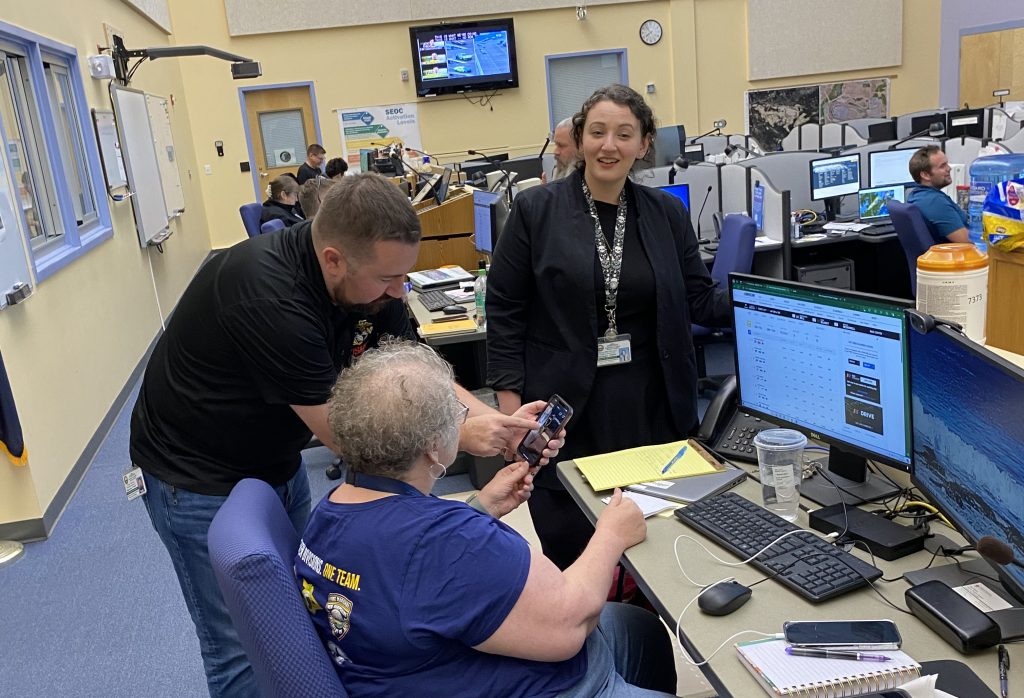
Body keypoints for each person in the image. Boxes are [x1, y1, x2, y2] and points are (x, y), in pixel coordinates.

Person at [130, 173, 550, 697]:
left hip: (273, 455)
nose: (400, 291)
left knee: (307, 618)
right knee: (242, 646)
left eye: (405, 277)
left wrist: (490, 419)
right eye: (388, 279)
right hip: (196, 475)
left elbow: (426, 378)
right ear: (334, 259)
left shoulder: (373, 285)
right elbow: (355, 439)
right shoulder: (267, 295)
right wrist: (465, 436)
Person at [296, 340, 677, 698]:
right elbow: (571, 624)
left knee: (637, 628)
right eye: (456, 415)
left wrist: (482, 507)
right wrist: (611, 534)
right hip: (556, 686)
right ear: (432, 447)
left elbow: (408, 573)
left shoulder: (328, 514)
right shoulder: (450, 541)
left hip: (423, 672)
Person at [487, 84, 731, 570]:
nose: (608, 145)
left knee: (656, 552)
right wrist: (514, 419)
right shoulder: (537, 211)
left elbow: (699, 300)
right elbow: (505, 310)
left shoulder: (666, 213)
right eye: (597, 132)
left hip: (652, 405)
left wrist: (763, 303)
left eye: (624, 134)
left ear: (643, 144)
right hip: (566, 413)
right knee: (574, 551)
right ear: (579, 139)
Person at [906, 145, 970, 244]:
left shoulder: (917, 195)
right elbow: (966, 240)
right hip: (958, 256)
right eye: (942, 166)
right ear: (925, 175)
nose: (949, 168)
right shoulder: (934, 201)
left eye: (947, 164)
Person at [549, 117, 579, 182]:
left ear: (580, 148)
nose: (555, 151)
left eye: (561, 145)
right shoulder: (557, 170)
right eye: (556, 144)